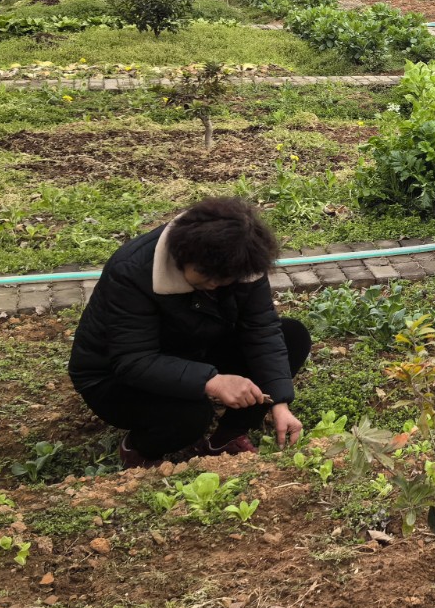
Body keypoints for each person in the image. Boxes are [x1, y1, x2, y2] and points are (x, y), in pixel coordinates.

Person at [68, 197, 310, 469]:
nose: (215, 284)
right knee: (190, 415)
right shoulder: (132, 272)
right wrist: (213, 381)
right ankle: (138, 449)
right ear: (183, 254)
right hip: (113, 375)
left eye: (224, 279)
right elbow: (133, 360)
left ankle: (226, 438)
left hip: (193, 347)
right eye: (207, 276)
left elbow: (261, 330)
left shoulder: (241, 259)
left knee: (292, 336)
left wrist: (279, 402)